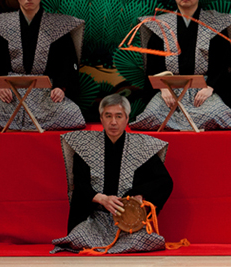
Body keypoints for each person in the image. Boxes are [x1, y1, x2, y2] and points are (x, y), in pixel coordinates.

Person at [52, 94, 174, 253]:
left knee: (147, 241)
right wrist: (102, 199)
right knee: (78, 239)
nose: (113, 122)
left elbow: (164, 182)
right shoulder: (85, 146)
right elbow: (80, 184)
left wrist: (140, 195)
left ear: (127, 119)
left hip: (127, 221)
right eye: (108, 116)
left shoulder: (142, 146)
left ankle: (118, 243)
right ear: (101, 119)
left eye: (119, 116)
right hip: (94, 218)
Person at [130, 0, 231, 131]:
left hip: (202, 90)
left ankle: (177, 124)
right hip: (169, 90)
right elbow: (153, 65)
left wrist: (210, 87)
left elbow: (224, 64)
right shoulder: (161, 26)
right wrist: (163, 88)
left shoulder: (215, 25)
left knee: (218, 115)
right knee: (151, 116)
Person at [0, 0, 85, 130]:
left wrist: (60, 87)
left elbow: (66, 61)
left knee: (72, 115)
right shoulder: (2, 26)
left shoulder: (58, 26)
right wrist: (0, 86)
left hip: (45, 92)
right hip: (11, 92)